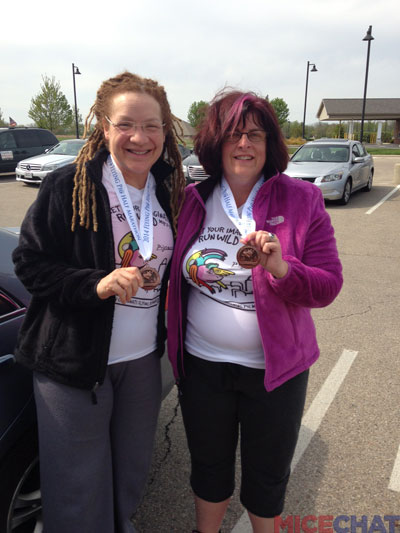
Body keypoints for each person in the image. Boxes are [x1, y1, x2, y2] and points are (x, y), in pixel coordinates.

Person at [12, 72, 185, 533]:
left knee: (129, 475)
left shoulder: (169, 190)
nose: (140, 137)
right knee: (77, 489)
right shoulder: (69, 186)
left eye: (152, 126)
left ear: (165, 132)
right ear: (104, 126)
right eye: (126, 124)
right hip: (73, 362)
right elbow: (30, 263)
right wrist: (95, 284)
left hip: (141, 361)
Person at [167, 90, 343, 533]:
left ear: (270, 146)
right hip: (203, 364)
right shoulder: (191, 199)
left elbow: (328, 285)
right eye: (233, 135)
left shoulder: (302, 200)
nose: (244, 144)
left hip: (275, 371)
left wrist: (282, 267)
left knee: (266, 475)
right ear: (215, 143)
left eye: (255, 135)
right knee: (208, 467)